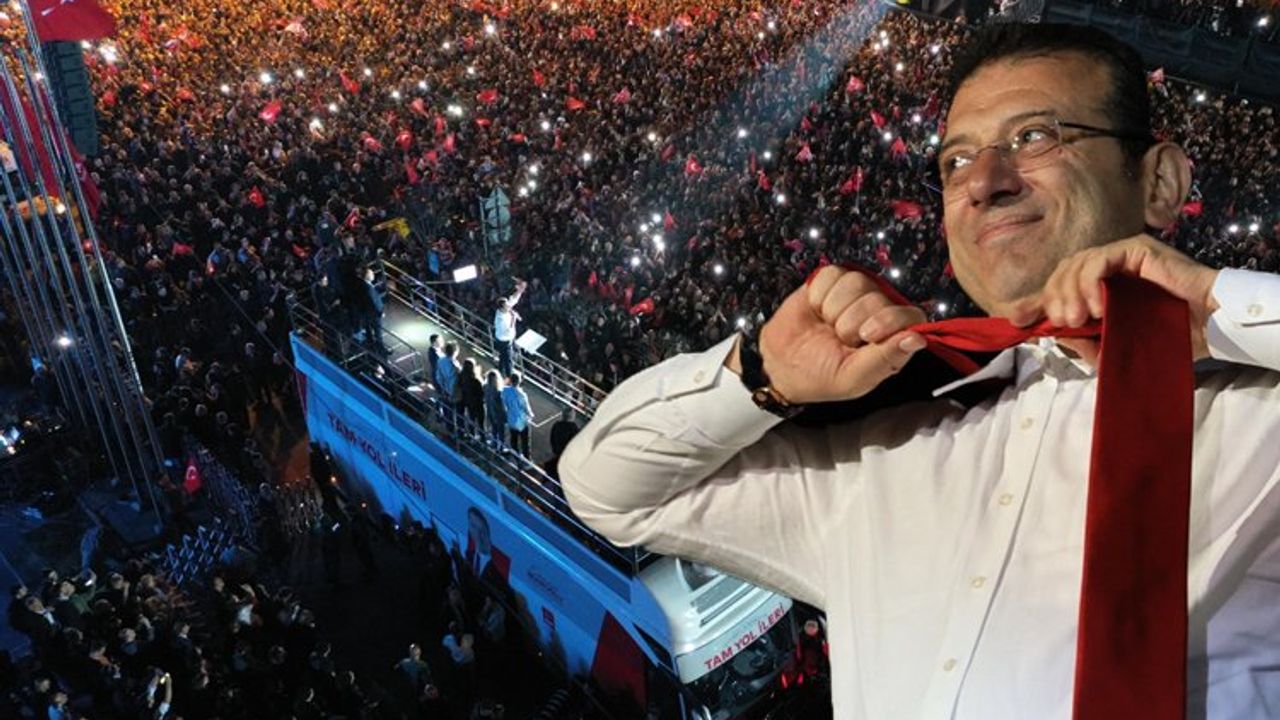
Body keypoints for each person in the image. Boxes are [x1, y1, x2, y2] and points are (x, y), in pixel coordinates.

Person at [560, 23, 1280, 720]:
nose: (984, 182)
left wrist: (1220, 307)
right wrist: (761, 371)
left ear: (1159, 182)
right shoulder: (877, 459)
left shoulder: (1263, 418)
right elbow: (607, 489)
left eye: (1036, 136)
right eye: (955, 161)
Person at [492, 280, 526, 379]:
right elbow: (509, 329)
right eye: (506, 306)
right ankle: (509, 376)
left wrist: (519, 291)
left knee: (503, 357)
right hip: (504, 340)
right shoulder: (500, 319)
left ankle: (499, 371)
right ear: (502, 308)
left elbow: (513, 300)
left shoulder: (504, 309)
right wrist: (514, 318)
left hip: (506, 338)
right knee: (508, 359)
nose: (508, 306)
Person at [500, 372, 533, 458]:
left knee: (514, 440)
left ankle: (516, 456)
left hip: (511, 419)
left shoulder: (505, 391)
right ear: (519, 381)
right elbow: (526, 408)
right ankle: (527, 458)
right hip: (522, 421)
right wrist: (531, 415)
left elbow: (503, 404)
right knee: (525, 441)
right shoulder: (522, 394)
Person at [482, 370, 507, 446]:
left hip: (490, 412)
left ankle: (494, 443)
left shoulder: (485, 387)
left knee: (494, 430)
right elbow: (502, 405)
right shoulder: (499, 391)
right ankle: (501, 446)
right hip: (498, 414)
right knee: (501, 432)